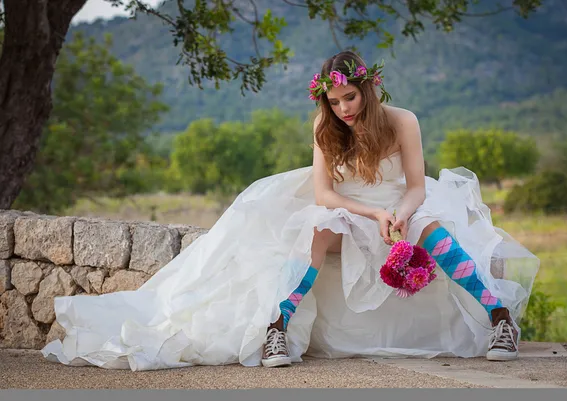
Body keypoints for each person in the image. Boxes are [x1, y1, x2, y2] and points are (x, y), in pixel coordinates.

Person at [41, 51, 539, 371]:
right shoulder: (326, 129)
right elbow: (325, 194)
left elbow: (415, 186)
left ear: (368, 89)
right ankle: (276, 329)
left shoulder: (403, 120)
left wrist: (401, 216)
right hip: (350, 208)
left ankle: (498, 318)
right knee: (318, 228)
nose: (343, 108)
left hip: (402, 204)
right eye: (334, 99)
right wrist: (370, 218)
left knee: (432, 231)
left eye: (349, 96)